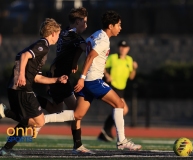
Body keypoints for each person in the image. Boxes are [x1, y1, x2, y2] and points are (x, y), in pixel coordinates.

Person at [43, 10, 142, 151]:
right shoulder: (102, 40)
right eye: (118, 25)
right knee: (119, 104)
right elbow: (90, 57)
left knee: (77, 115)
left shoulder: (96, 34)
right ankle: (122, 141)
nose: (120, 28)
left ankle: (43, 119)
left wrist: (74, 63)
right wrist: (82, 78)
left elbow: (80, 48)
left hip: (88, 80)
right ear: (111, 26)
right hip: (93, 80)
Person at [0, 18, 67, 156]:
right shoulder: (43, 45)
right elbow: (24, 56)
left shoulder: (42, 47)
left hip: (19, 87)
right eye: (58, 34)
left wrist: (57, 80)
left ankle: (6, 149)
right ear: (53, 33)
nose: (58, 37)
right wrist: (22, 76)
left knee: (26, 122)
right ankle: (4, 112)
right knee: (39, 121)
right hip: (22, 88)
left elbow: (38, 77)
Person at [35, 7, 91, 154]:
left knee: (56, 110)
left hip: (56, 73)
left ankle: (34, 100)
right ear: (78, 21)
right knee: (77, 112)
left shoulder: (66, 32)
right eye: (84, 22)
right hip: (60, 77)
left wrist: (74, 61)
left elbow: (76, 49)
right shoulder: (74, 37)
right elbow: (87, 49)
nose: (86, 25)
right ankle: (77, 145)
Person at [98, 40, 138, 142]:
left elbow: (131, 77)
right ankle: (108, 131)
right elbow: (102, 65)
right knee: (123, 109)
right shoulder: (113, 58)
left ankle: (105, 131)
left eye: (124, 47)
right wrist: (107, 75)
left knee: (118, 110)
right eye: (121, 46)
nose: (122, 49)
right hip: (113, 86)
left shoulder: (129, 60)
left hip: (122, 88)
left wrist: (134, 68)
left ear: (128, 49)